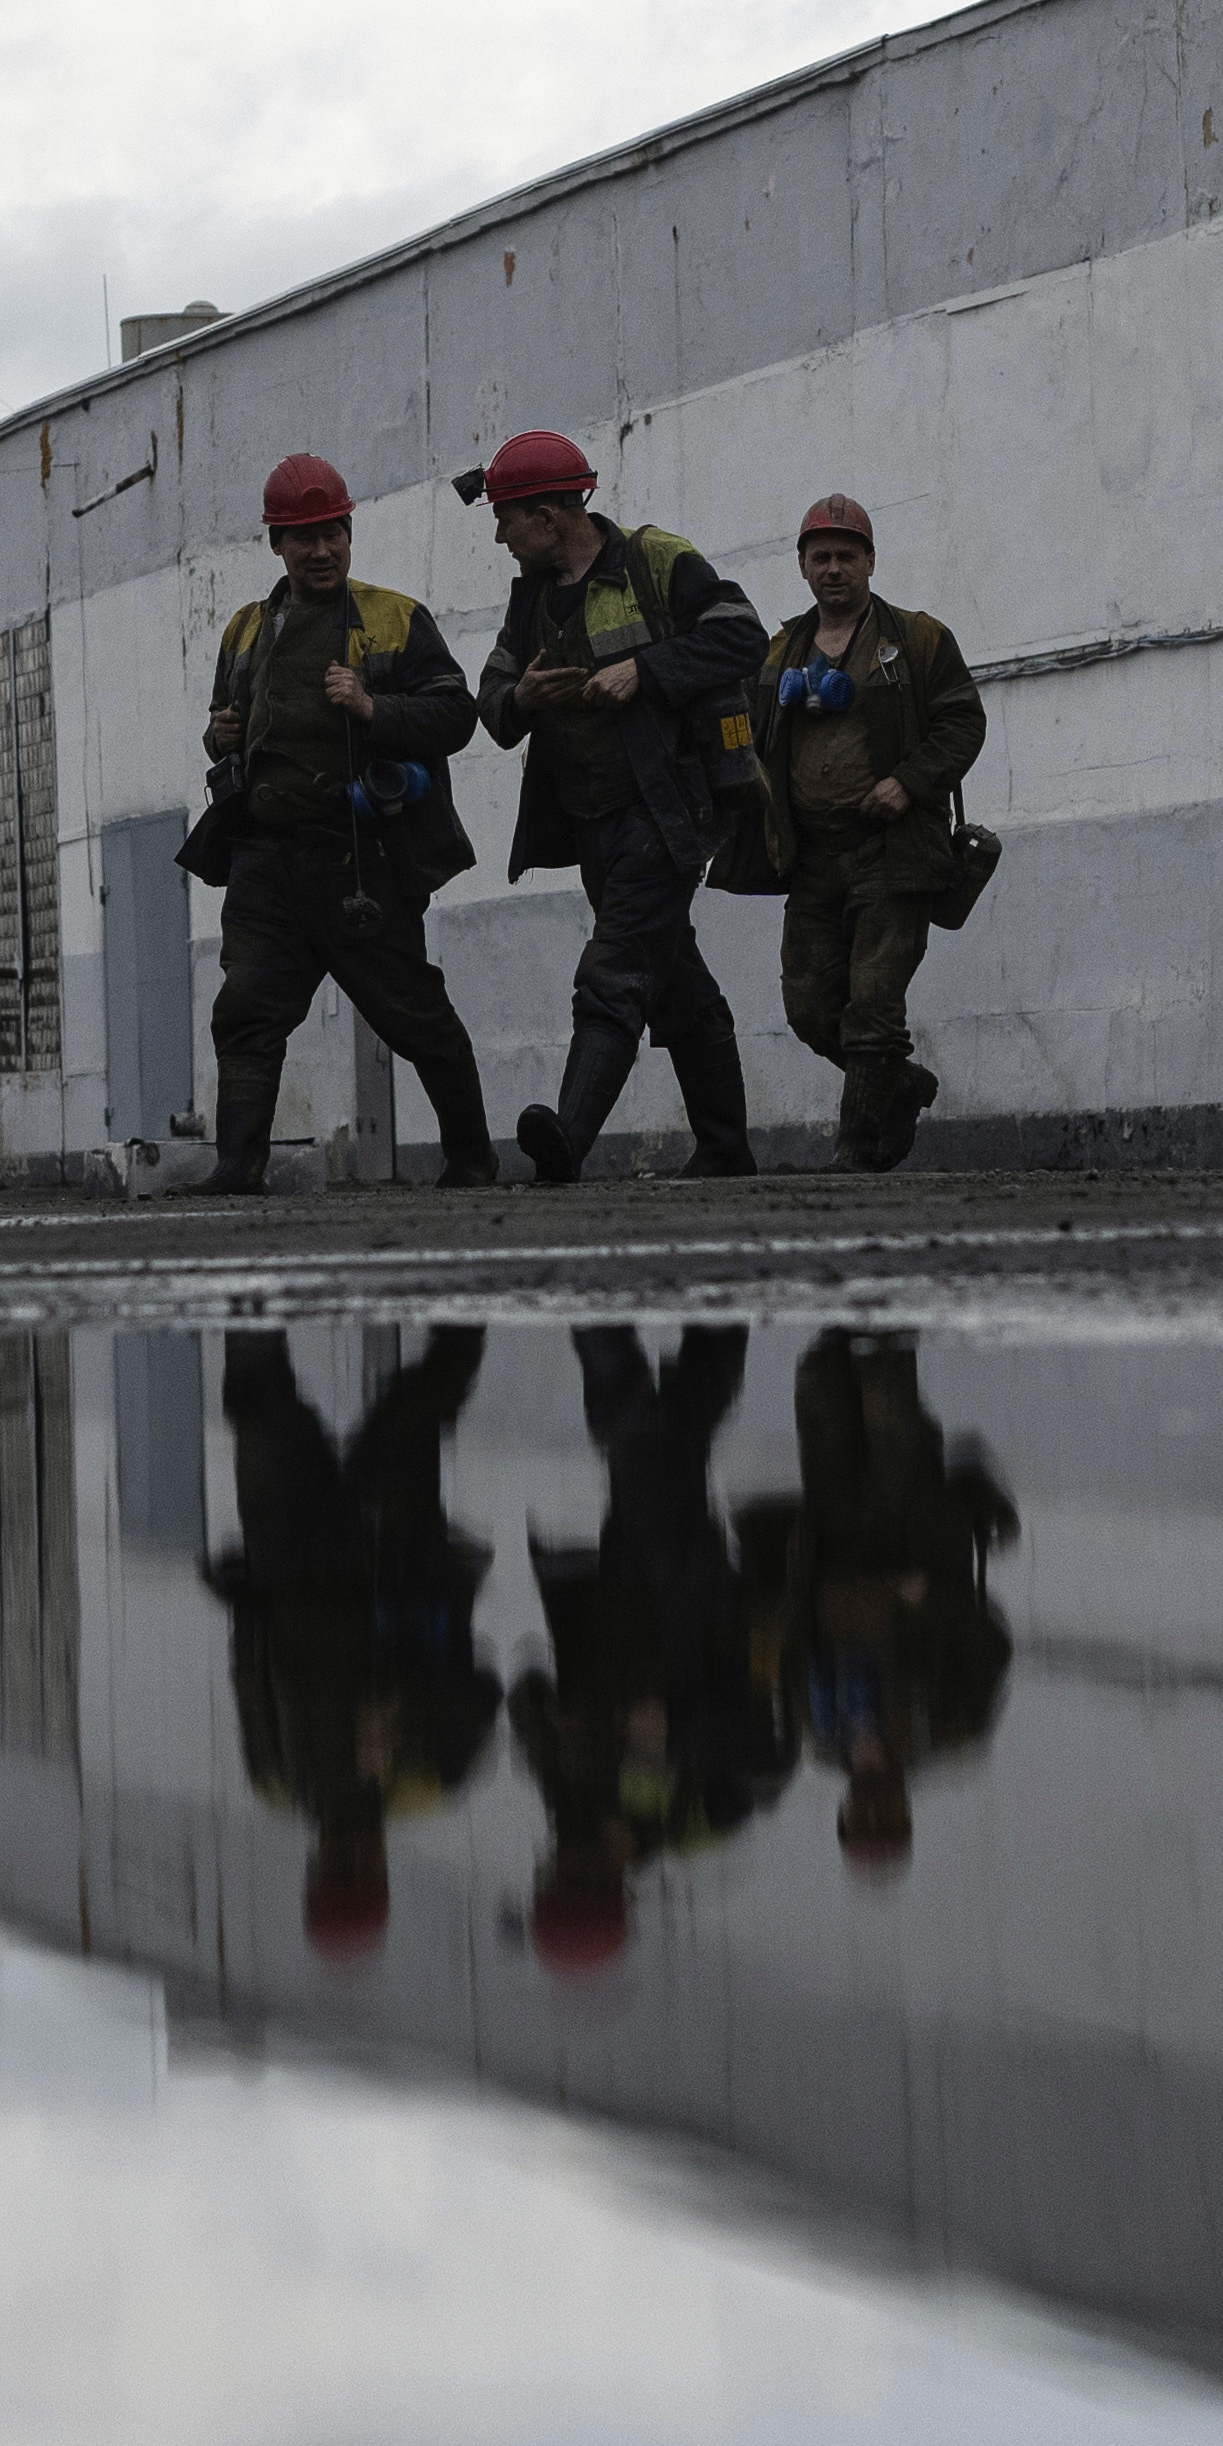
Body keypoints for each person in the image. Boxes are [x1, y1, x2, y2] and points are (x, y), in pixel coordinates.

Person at [191, 454, 502, 1195]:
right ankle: (237, 1168)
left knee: (416, 1013)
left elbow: (458, 714)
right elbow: (222, 727)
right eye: (303, 537)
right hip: (265, 863)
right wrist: (220, 735)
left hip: (360, 859)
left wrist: (374, 708)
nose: (321, 550)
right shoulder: (243, 629)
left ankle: (472, 1160)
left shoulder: (395, 618)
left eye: (332, 533)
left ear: (349, 532)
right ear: (275, 544)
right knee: (246, 1014)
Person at [474, 430, 771, 1182]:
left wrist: (645, 670)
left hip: (667, 811)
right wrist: (523, 697)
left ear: (547, 516)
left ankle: (567, 1139)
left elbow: (743, 636)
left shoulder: (656, 560)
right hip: (592, 822)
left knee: (614, 971)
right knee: (677, 983)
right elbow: (494, 701)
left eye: (506, 521)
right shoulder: (530, 598)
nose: (501, 537)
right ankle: (727, 1149)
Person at [208, 1323, 498, 1960]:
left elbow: (252, 1677)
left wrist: (251, 1598)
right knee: (413, 1409)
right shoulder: (429, 1781)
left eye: (339, 1871)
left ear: (314, 1870)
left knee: (259, 1406)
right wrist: (402, 1695)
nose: (353, 1858)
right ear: (386, 1875)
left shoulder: (277, 1782)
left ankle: (250, 1273)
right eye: (363, 1873)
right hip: (389, 1555)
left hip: (289, 1562)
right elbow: (481, 1688)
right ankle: (466, 1300)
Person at [511, 1324, 772, 1964]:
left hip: (609, 1591)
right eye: (586, 1883)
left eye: (557, 1876)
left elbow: (523, 1699)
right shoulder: (695, 1826)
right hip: (692, 1601)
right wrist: (673, 1732)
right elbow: (767, 1754)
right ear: (618, 1890)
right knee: (646, 1448)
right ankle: (603, 1334)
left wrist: (563, 1721)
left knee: (673, 1441)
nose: (570, 1863)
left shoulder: (562, 1794)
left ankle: (714, 1310)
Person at [753, 493, 986, 1171]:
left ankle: (855, 1147)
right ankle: (901, 1084)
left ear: (871, 561)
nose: (834, 569)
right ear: (801, 565)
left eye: (847, 556)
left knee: (875, 1000)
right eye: (820, 557)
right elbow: (753, 738)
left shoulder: (916, 639)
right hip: (812, 858)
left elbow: (962, 722)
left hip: (892, 853)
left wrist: (910, 780)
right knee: (807, 1005)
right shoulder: (779, 653)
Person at [743, 1332, 1016, 1872]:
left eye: (859, 1821)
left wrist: (791, 1582)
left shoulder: (817, 1740)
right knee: (888, 1401)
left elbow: (790, 1651)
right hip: (915, 1543)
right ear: (906, 1816)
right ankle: (885, 1295)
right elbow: (991, 1646)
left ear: (841, 1815)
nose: (872, 1810)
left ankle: (840, 1299)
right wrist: (932, 1596)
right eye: (886, 1821)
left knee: (822, 1385)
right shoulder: (951, 1733)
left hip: (831, 1544)